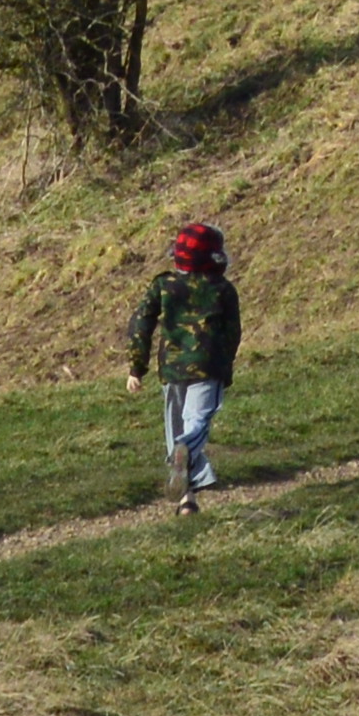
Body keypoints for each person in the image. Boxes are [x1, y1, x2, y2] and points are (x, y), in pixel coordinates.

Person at [128, 220, 245, 515]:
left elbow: (141, 324)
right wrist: (225, 365)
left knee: (175, 425)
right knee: (196, 424)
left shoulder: (163, 285)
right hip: (208, 367)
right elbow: (233, 333)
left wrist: (136, 367)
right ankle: (186, 453)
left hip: (172, 369)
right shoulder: (223, 289)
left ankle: (186, 500)